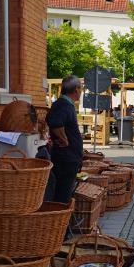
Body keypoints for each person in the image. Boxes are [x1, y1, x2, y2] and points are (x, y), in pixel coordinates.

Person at [46, 74, 84, 204]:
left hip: (68, 158)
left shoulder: (65, 104)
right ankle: (60, 222)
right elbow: (55, 123)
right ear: (76, 90)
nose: (81, 92)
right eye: (81, 89)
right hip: (66, 159)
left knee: (63, 193)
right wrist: (65, 140)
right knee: (62, 195)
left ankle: (60, 221)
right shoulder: (63, 105)